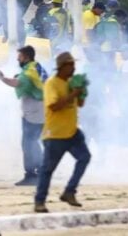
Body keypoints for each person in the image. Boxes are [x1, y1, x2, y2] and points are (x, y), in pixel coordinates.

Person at [34, 52, 91, 213]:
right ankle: (39, 201)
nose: (73, 68)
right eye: (70, 65)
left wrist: (82, 92)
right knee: (47, 170)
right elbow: (53, 106)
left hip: (72, 132)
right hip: (55, 134)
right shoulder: (52, 83)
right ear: (62, 67)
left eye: (73, 64)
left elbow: (79, 104)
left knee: (85, 158)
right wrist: (73, 93)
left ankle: (69, 191)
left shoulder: (72, 82)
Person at [0, 46, 47, 186]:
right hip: (38, 111)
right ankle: (42, 171)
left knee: (28, 143)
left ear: (26, 57)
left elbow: (16, 83)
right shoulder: (35, 67)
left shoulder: (29, 71)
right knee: (33, 142)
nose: (18, 58)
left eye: (20, 56)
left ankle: (32, 175)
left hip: (34, 112)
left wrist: (2, 78)